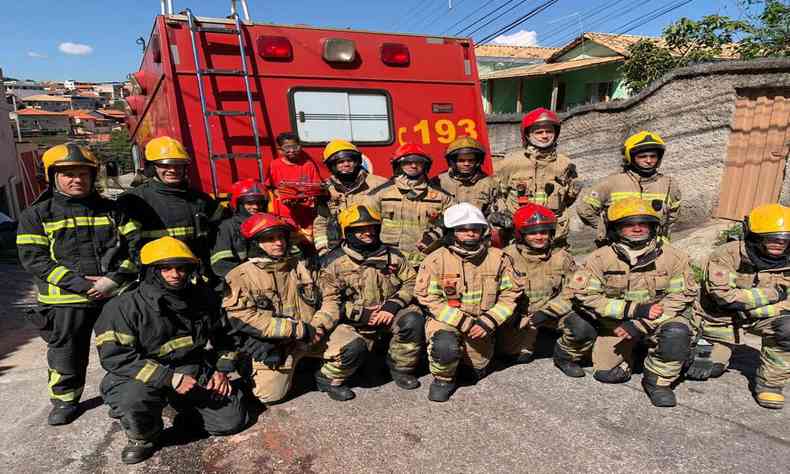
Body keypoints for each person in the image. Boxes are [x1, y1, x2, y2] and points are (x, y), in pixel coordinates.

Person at [95, 236, 248, 464]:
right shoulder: (123, 307)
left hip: (192, 368)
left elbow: (225, 337)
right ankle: (143, 436)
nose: (175, 274)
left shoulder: (202, 298)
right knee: (132, 399)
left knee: (231, 421)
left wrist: (221, 369)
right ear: (150, 271)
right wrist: (169, 379)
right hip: (141, 374)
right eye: (165, 268)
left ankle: (183, 407)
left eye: (181, 268)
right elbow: (116, 358)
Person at [16, 143, 135, 426]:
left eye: (83, 173)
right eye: (68, 174)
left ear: (93, 177)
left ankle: (127, 397)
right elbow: (35, 260)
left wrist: (113, 280)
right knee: (66, 353)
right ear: (52, 176)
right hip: (65, 301)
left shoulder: (113, 211)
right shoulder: (37, 215)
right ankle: (65, 400)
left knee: (123, 348)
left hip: (112, 296)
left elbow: (135, 249)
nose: (77, 179)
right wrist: (79, 285)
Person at [563, 197, 697, 407]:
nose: (637, 229)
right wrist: (630, 311)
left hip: (659, 319)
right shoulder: (599, 258)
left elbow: (680, 297)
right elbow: (587, 296)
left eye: (643, 224)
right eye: (628, 224)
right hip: (617, 326)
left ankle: (658, 382)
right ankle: (638, 354)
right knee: (608, 374)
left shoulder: (674, 257)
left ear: (653, 226)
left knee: (676, 333)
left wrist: (641, 323)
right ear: (615, 228)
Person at [222, 213, 367, 402]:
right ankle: (248, 363)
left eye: (281, 237)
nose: (279, 243)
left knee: (354, 345)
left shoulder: (303, 266)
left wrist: (318, 326)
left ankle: (325, 378)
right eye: (270, 239)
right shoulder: (239, 277)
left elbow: (331, 298)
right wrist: (298, 330)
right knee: (269, 396)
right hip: (277, 344)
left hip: (314, 333)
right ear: (256, 243)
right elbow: (245, 317)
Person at [415, 203, 520, 402]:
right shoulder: (435, 260)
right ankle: (442, 379)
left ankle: (467, 359)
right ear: (451, 232)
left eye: (475, 229)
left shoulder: (499, 258)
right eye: (463, 229)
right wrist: (465, 323)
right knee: (445, 348)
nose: (470, 233)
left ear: (483, 231)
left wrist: (488, 322)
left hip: (483, 323)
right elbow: (429, 298)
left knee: (474, 373)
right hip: (447, 319)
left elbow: (511, 293)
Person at [688, 203, 790, 409]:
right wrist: (773, 294)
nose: (779, 243)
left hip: (760, 317)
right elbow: (724, 297)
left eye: (785, 239)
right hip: (719, 321)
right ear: (755, 235)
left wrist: (758, 309)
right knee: (709, 369)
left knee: (788, 328)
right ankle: (700, 343)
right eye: (771, 237)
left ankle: (771, 385)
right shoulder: (726, 254)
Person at [314, 205, 424, 390]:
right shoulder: (331, 262)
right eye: (360, 230)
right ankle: (328, 379)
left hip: (387, 314)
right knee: (356, 355)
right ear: (348, 232)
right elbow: (326, 300)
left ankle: (401, 369)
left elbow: (412, 282)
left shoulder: (393, 256)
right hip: (350, 321)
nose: (368, 233)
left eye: (372, 228)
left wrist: (393, 305)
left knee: (412, 320)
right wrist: (361, 314)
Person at [117, 136, 225, 274]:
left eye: (178, 164)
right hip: (155, 276)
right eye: (165, 165)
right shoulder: (133, 201)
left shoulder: (200, 199)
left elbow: (222, 233)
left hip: (196, 274)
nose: (173, 170)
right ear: (151, 167)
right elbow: (126, 246)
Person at [499, 204, 576, 364]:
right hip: (521, 317)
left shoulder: (562, 257)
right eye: (532, 233)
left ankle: (563, 353)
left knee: (581, 327)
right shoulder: (506, 256)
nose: (539, 237)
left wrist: (547, 312)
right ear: (521, 235)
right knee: (519, 357)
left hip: (551, 312)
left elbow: (573, 290)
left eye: (544, 232)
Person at [577, 131, 681, 246]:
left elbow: (672, 217)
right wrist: (605, 229)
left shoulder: (669, 184)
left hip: (656, 248)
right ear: (630, 157)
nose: (649, 161)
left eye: (653, 156)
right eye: (642, 156)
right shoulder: (611, 183)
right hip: (618, 248)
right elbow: (585, 209)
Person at [495, 107, 580, 248]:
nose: (545, 136)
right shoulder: (510, 163)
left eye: (549, 131)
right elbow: (498, 194)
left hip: (554, 240)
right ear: (527, 135)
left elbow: (568, 199)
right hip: (518, 239)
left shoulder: (566, 164)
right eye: (539, 132)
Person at [367, 143, 454, 268]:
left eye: (419, 162)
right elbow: (365, 225)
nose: (413, 165)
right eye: (408, 162)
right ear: (399, 165)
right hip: (390, 260)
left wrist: (434, 236)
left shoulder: (442, 196)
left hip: (428, 260)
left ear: (425, 166)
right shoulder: (381, 194)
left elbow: (455, 223)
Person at [313, 140, 387, 256]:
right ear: (332, 165)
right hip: (340, 253)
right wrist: (323, 250)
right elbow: (321, 222)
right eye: (340, 162)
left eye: (350, 160)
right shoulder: (326, 190)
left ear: (357, 161)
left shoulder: (380, 184)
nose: (346, 164)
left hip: (375, 249)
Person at [265, 132, 325, 237]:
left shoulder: (308, 165)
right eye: (287, 148)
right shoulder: (274, 165)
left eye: (295, 147)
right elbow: (270, 188)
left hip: (307, 214)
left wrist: (309, 197)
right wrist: (281, 195)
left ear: (300, 146)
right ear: (280, 149)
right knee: (290, 242)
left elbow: (317, 187)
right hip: (285, 215)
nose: (292, 151)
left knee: (309, 242)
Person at [210, 178, 268, 279]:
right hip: (242, 282)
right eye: (249, 203)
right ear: (238, 204)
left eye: (259, 203)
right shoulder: (227, 227)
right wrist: (250, 276)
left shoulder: (268, 223)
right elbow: (221, 265)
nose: (256, 207)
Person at [436, 136, 497, 216]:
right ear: (452, 162)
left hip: (478, 227)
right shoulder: (439, 182)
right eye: (461, 161)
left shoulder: (489, 183)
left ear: (478, 162)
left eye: (471, 160)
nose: (466, 164)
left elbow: (497, 209)